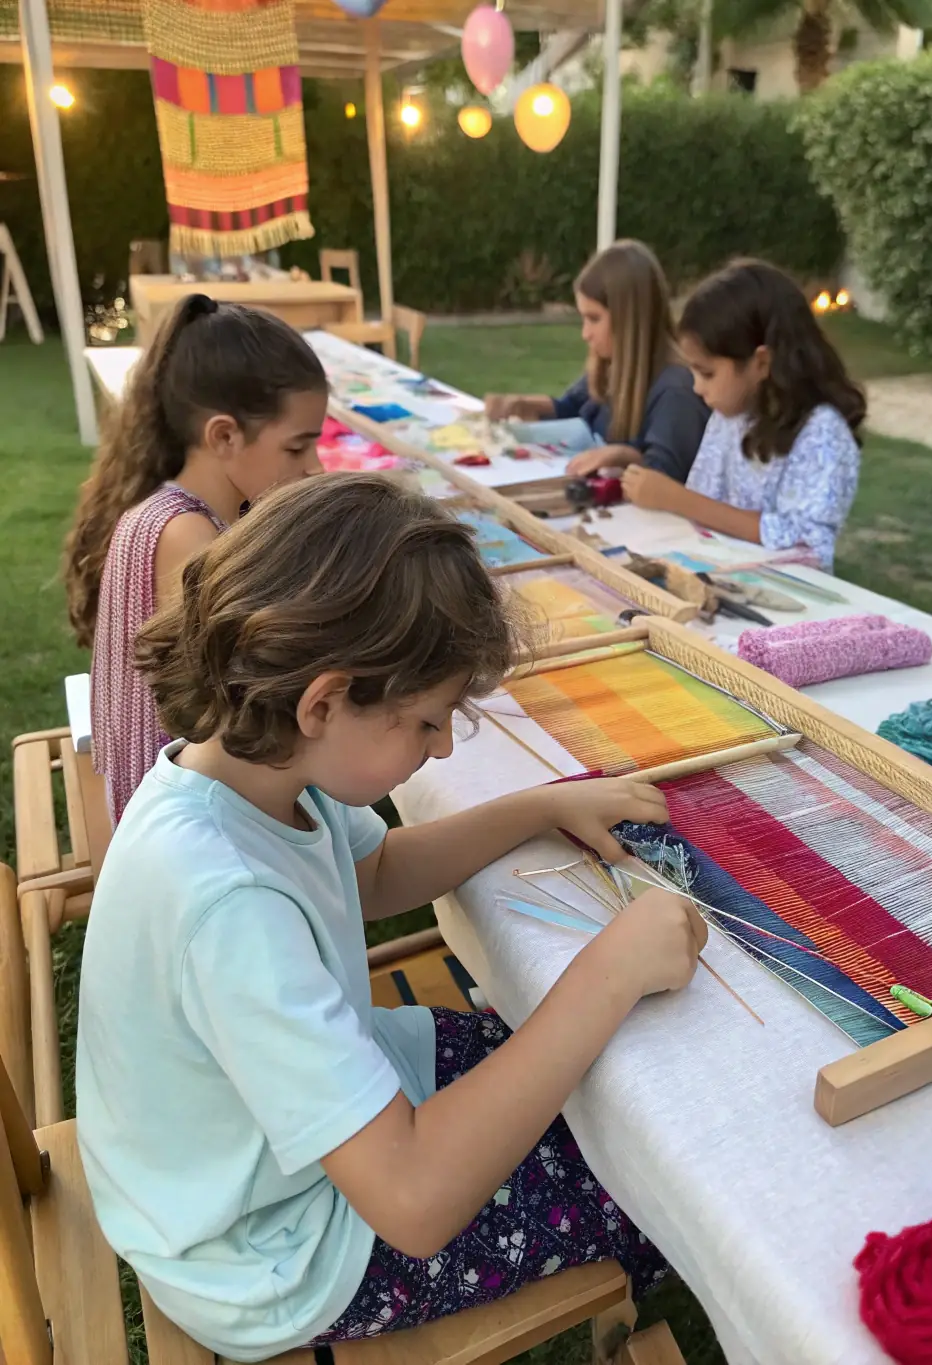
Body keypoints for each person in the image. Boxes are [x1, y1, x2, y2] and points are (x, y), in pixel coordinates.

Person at [75, 474, 707, 1362]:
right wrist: (610, 968)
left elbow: (371, 874)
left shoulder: (258, 774)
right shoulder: (227, 901)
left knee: (595, 1081)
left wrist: (537, 809)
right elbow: (412, 1199)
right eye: (426, 720)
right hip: (272, 1250)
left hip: (267, 1161)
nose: (442, 745)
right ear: (324, 701)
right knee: (648, 1181)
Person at [63, 293, 328, 825]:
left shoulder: (171, 509)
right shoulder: (189, 536)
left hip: (168, 794)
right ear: (224, 435)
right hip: (176, 823)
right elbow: (256, 691)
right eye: (298, 448)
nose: (316, 468)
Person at [620, 259, 865, 572]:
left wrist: (675, 498)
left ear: (761, 363)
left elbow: (806, 546)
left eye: (707, 373)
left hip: (787, 600)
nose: (696, 387)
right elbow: (703, 506)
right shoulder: (730, 415)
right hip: (719, 579)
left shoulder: (823, 434)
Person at [484, 240, 709, 483]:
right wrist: (519, 403)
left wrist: (625, 456)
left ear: (629, 321)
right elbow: (570, 407)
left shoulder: (676, 390)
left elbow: (666, 480)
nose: (585, 334)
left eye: (594, 319)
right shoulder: (611, 364)